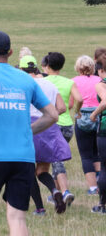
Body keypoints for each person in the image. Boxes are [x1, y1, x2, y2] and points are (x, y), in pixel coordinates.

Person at [0, 31, 58, 236]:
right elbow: (52, 115)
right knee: (16, 216)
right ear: (10, 52)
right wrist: (28, 130)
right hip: (23, 156)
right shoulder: (25, 79)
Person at [19, 55, 71, 215]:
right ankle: (55, 190)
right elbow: (62, 107)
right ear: (36, 67)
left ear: (21, 69)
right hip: (48, 126)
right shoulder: (49, 83)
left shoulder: (22, 84)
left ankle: (40, 208)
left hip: (29, 127)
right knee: (42, 170)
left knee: (28, 170)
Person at [40, 52, 80, 206]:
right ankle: (55, 194)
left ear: (47, 65)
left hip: (52, 124)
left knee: (56, 161)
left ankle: (65, 192)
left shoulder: (44, 81)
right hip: (68, 125)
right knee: (55, 159)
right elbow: (78, 99)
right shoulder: (68, 82)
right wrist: (77, 110)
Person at [71, 55, 103, 195]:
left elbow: (72, 103)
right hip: (97, 116)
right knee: (98, 154)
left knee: (85, 155)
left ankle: (92, 187)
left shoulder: (73, 81)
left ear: (78, 67)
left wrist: (76, 112)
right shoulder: (100, 80)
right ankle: (101, 182)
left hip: (82, 116)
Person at [89, 63, 106, 213]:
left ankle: (102, 205)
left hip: (105, 129)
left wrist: (94, 115)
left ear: (101, 70)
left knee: (104, 168)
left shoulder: (102, 84)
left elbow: (105, 101)